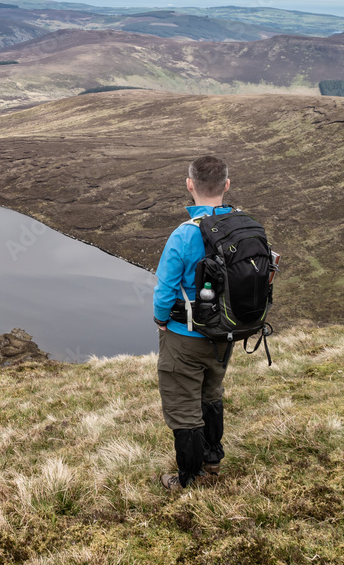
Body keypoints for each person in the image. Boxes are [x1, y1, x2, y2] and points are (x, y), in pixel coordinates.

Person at [152, 155, 233, 491]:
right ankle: (212, 460)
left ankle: (190, 479)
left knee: (184, 408)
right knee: (211, 393)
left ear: (189, 185)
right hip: (225, 334)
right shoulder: (243, 227)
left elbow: (165, 289)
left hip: (185, 336)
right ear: (226, 185)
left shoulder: (184, 235)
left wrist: (160, 319)